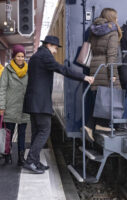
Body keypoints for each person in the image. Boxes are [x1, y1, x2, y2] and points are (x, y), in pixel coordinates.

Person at [22, 35, 94, 174]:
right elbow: (63, 70)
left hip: (35, 101)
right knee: (44, 130)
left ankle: (35, 161)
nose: (55, 51)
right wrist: (84, 77)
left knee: (37, 131)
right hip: (40, 102)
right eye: (55, 48)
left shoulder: (37, 56)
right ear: (49, 45)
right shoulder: (45, 56)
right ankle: (31, 161)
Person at [84, 8, 122, 140]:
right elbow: (111, 54)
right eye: (116, 17)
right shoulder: (112, 31)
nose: (117, 19)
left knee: (101, 98)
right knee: (109, 96)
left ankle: (96, 125)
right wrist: (113, 73)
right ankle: (96, 125)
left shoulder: (94, 30)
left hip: (95, 66)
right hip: (106, 67)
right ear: (112, 17)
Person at [0, 45, 29, 166]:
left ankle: (21, 158)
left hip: (24, 107)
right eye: (18, 56)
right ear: (14, 57)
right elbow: (2, 89)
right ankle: (7, 155)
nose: (20, 59)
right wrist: (1, 106)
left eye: (22, 56)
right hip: (10, 106)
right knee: (9, 134)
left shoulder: (28, 70)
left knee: (22, 134)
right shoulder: (7, 70)